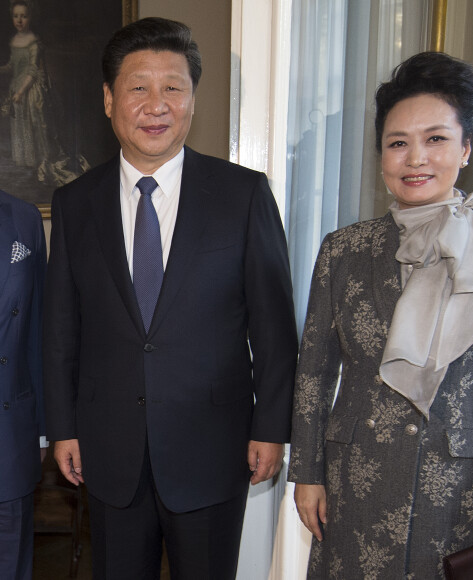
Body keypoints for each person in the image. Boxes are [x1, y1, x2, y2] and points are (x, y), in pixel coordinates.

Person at [43, 17, 298, 580]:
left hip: (214, 447)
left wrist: (272, 426)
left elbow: (276, 330)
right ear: (109, 100)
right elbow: (62, 327)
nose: (156, 104)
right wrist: (62, 426)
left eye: (173, 87)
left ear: (192, 99)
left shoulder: (243, 194)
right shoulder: (75, 203)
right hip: (109, 452)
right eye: (138, 87)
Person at [289, 51, 473, 579]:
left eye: (436, 139)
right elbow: (315, 372)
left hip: (462, 493)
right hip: (355, 482)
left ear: (466, 148)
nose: (416, 159)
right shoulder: (344, 250)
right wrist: (307, 473)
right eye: (397, 143)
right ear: (381, 154)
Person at [0, 188, 47, 580]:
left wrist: (45, 431)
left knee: (11, 565)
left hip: (9, 438)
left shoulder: (23, 218)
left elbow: (38, 331)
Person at [0, 0, 88, 186]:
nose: (20, 20)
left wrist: (21, 92)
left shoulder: (34, 43)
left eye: (24, 16)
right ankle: (27, 165)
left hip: (30, 90)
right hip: (17, 87)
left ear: (30, 17)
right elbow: (13, 66)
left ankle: (41, 164)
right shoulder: (14, 40)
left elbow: (32, 70)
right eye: (16, 16)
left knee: (36, 127)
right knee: (21, 126)